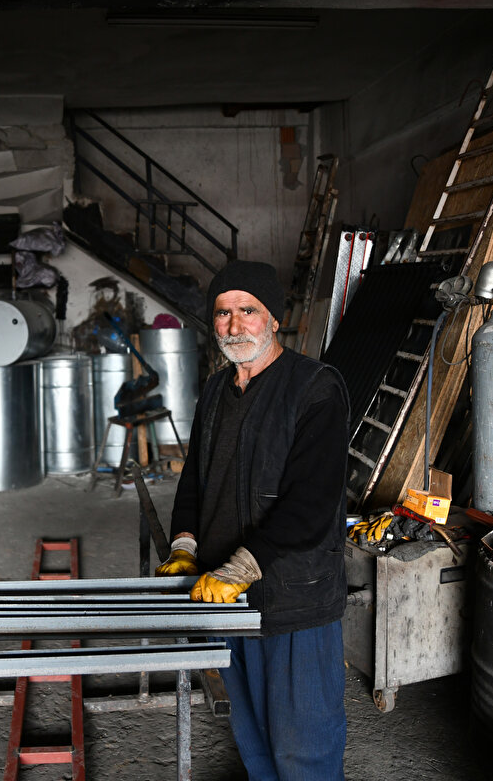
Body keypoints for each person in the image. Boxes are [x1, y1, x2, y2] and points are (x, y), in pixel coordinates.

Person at [157, 260, 349, 781]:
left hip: (291, 601)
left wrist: (244, 566)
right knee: (256, 744)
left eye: (248, 311)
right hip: (223, 594)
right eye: (223, 312)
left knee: (302, 749)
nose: (235, 325)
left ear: (273, 319)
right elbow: (196, 479)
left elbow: (311, 504)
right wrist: (185, 545)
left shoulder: (315, 388)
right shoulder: (218, 391)